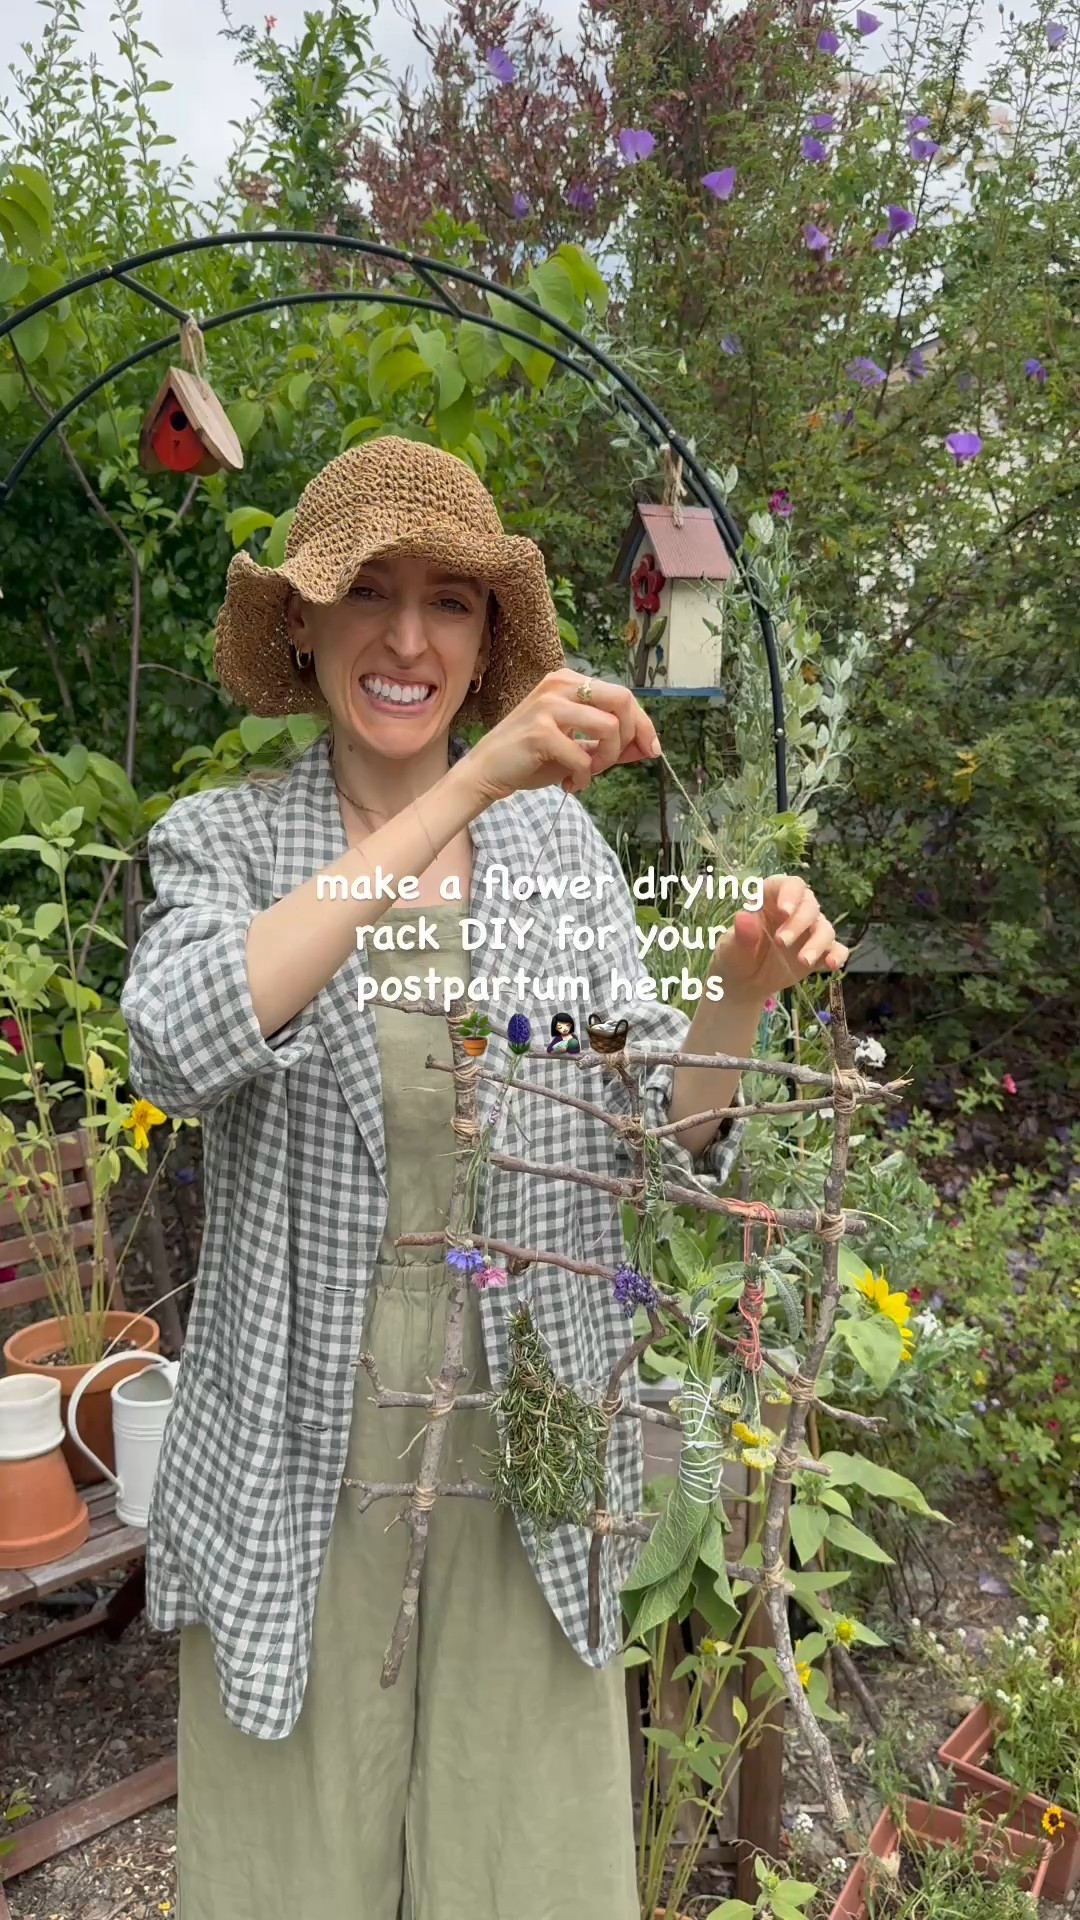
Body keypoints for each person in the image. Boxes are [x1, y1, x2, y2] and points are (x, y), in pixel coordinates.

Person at [121, 437, 848, 1920]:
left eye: (448, 602)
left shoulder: (558, 852)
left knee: (523, 1855)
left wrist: (739, 995)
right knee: (292, 1860)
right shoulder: (228, 842)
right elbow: (181, 1043)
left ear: (485, 638)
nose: (408, 639)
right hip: (301, 1430)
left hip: (536, 1414)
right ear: (303, 624)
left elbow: (657, 1137)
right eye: (368, 594)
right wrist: (461, 791)